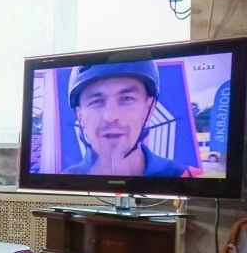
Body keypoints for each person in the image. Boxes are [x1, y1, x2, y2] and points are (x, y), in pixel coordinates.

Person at [64, 61, 193, 178]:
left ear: (149, 109)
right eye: (96, 101)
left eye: (126, 99)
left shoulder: (190, 179)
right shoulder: (62, 183)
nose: (110, 116)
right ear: (80, 116)